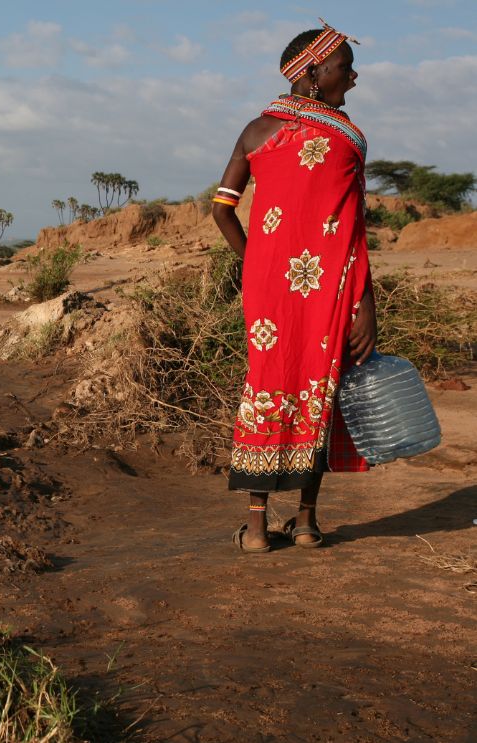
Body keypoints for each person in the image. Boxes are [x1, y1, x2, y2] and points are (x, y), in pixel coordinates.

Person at [212, 20, 375, 553]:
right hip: (330, 289)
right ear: (311, 72)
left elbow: (221, 208)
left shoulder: (257, 131)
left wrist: (256, 259)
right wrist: (365, 305)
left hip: (268, 288)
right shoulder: (348, 140)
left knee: (267, 384)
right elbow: (355, 236)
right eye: (343, 67)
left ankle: (257, 530)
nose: (352, 77)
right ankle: (305, 523)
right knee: (319, 387)